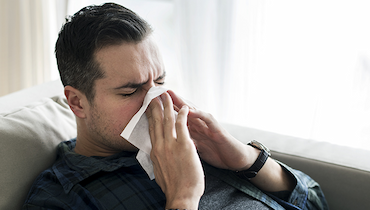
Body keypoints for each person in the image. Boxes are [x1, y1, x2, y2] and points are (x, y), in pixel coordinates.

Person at [23, 3, 328, 210]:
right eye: (131, 91)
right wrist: (183, 197)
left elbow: (315, 201)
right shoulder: (61, 197)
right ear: (78, 102)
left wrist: (244, 158)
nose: (158, 101)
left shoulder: (193, 143)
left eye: (160, 81)